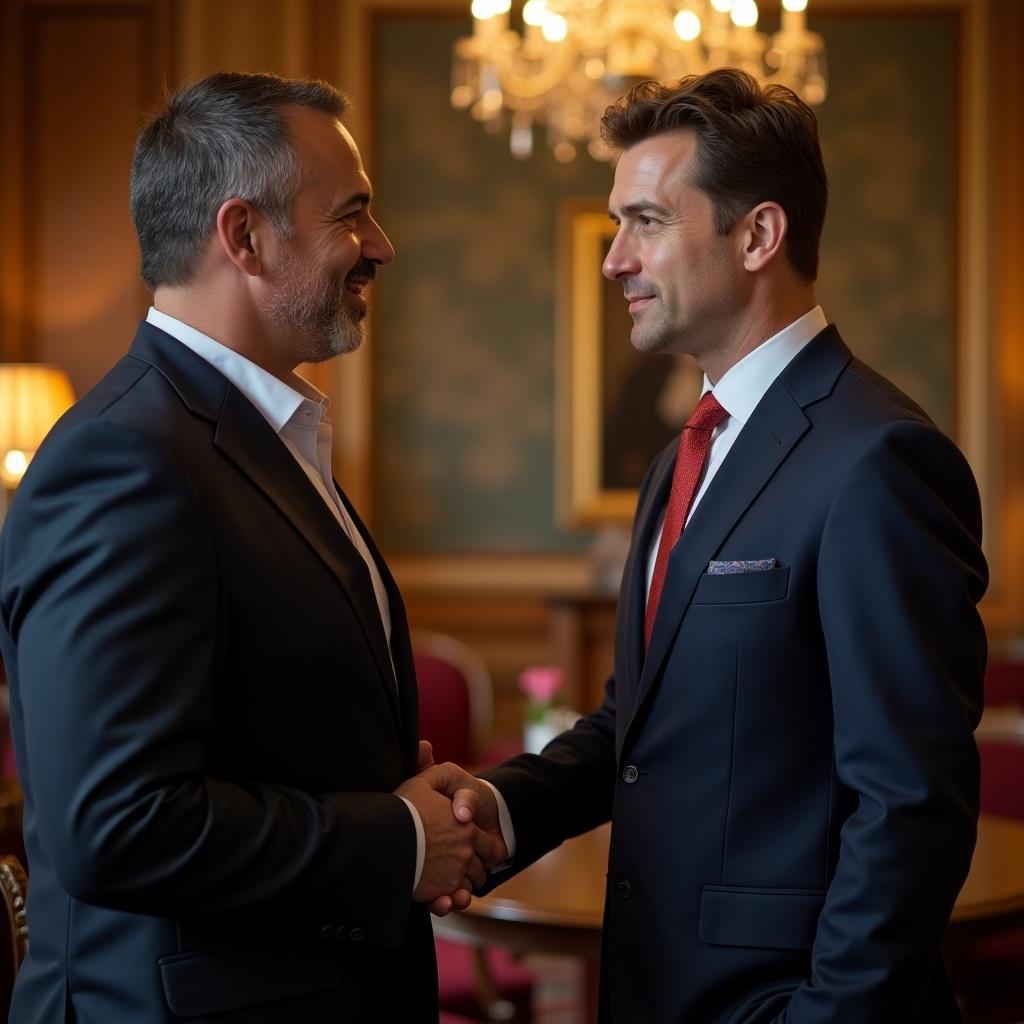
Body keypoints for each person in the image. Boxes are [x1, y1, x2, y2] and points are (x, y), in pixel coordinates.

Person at [449, 68, 988, 1022]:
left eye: (646, 221)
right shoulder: (681, 459)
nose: (615, 259)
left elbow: (909, 803)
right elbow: (640, 728)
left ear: (758, 236)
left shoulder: (881, 459)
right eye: (618, 225)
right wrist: (502, 809)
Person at [0, 72, 501, 1023]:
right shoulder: (123, 458)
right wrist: (397, 837)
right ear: (244, 236)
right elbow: (117, 823)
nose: (381, 247)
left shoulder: (256, 434)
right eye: (351, 214)